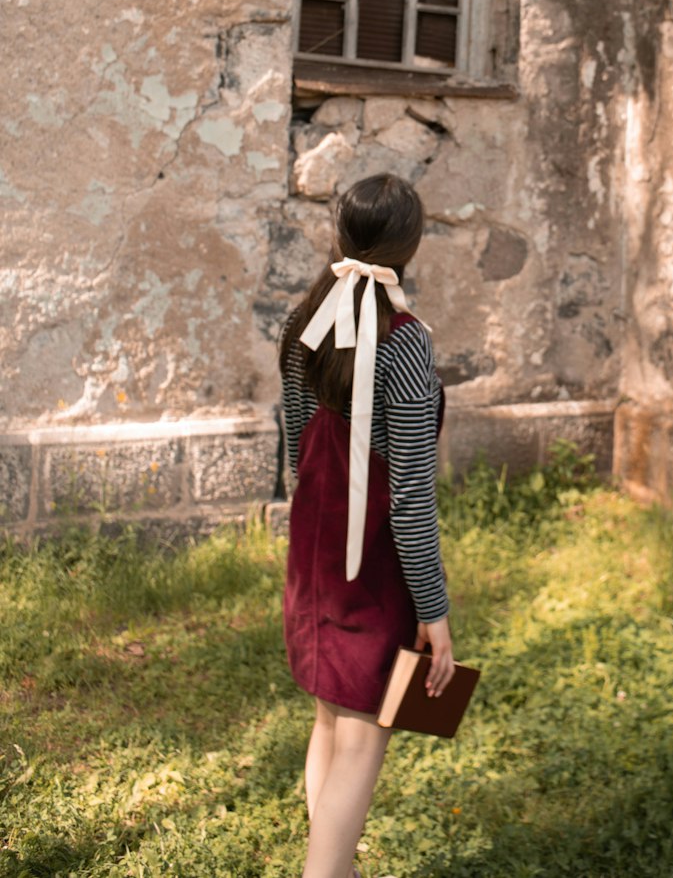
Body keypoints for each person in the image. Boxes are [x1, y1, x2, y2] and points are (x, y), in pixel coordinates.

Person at [279, 172, 455, 878]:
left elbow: (298, 447)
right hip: (369, 569)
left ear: (339, 236)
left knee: (329, 722)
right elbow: (409, 495)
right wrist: (434, 611)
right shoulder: (405, 342)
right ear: (410, 246)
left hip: (314, 552)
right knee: (359, 737)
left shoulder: (304, 324)